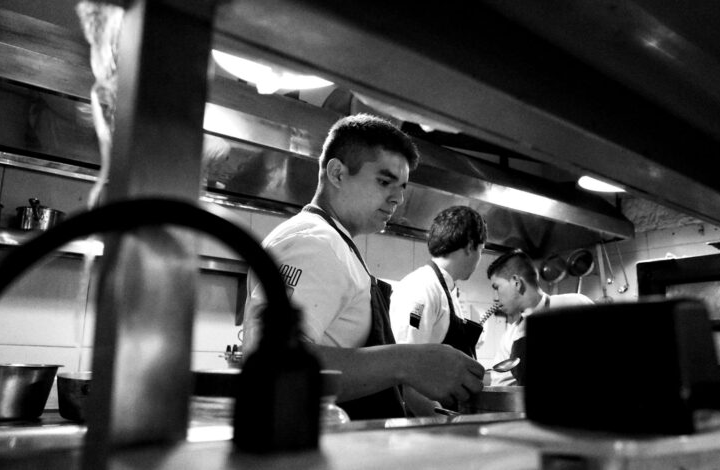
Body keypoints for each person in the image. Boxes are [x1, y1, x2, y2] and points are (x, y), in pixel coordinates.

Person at [243, 114, 484, 420]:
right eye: (384, 181)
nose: (397, 198)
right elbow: (274, 366)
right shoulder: (317, 243)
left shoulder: (335, 243)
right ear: (337, 174)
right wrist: (407, 362)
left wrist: (431, 413)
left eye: (402, 187)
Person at [390, 205, 487, 358]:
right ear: (470, 246)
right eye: (481, 250)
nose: (480, 258)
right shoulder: (421, 287)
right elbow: (405, 358)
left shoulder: (446, 289)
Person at [487, 249, 593, 386]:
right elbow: (502, 387)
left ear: (516, 283)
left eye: (497, 287)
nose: (495, 298)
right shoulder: (509, 337)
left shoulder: (575, 305)